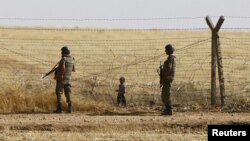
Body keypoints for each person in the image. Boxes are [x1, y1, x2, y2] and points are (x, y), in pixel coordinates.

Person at [54, 46, 75, 113]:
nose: (61, 53)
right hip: (69, 78)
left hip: (62, 78)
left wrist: (60, 75)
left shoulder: (63, 59)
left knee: (59, 92)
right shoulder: (72, 59)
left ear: (63, 52)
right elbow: (73, 69)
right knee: (68, 92)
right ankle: (70, 108)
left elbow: (62, 68)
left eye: (62, 52)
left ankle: (59, 108)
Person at [161, 44, 176, 115]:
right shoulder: (171, 58)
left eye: (166, 49)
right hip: (168, 77)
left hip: (168, 78)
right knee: (165, 93)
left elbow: (169, 68)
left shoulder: (170, 59)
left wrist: (164, 75)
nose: (165, 51)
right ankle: (168, 108)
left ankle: (169, 109)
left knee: (166, 93)